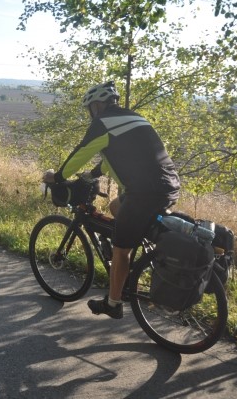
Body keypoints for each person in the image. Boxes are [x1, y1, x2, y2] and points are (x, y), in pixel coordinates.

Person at [43, 81, 181, 319]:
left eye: (90, 108)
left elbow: (81, 151)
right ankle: (132, 263)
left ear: (96, 106)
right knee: (116, 206)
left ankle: (114, 302)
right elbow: (119, 158)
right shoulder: (133, 118)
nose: (90, 113)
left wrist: (57, 176)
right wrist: (91, 175)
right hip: (168, 185)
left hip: (145, 193)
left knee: (121, 249)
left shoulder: (103, 123)